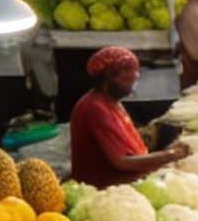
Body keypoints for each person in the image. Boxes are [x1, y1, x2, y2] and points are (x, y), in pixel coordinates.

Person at [68, 46, 191, 187]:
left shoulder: (112, 102)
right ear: (110, 76)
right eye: (128, 80)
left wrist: (164, 157)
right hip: (105, 188)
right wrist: (170, 155)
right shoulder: (95, 108)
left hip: (128, 182)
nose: (133, 85)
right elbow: (122, 162)